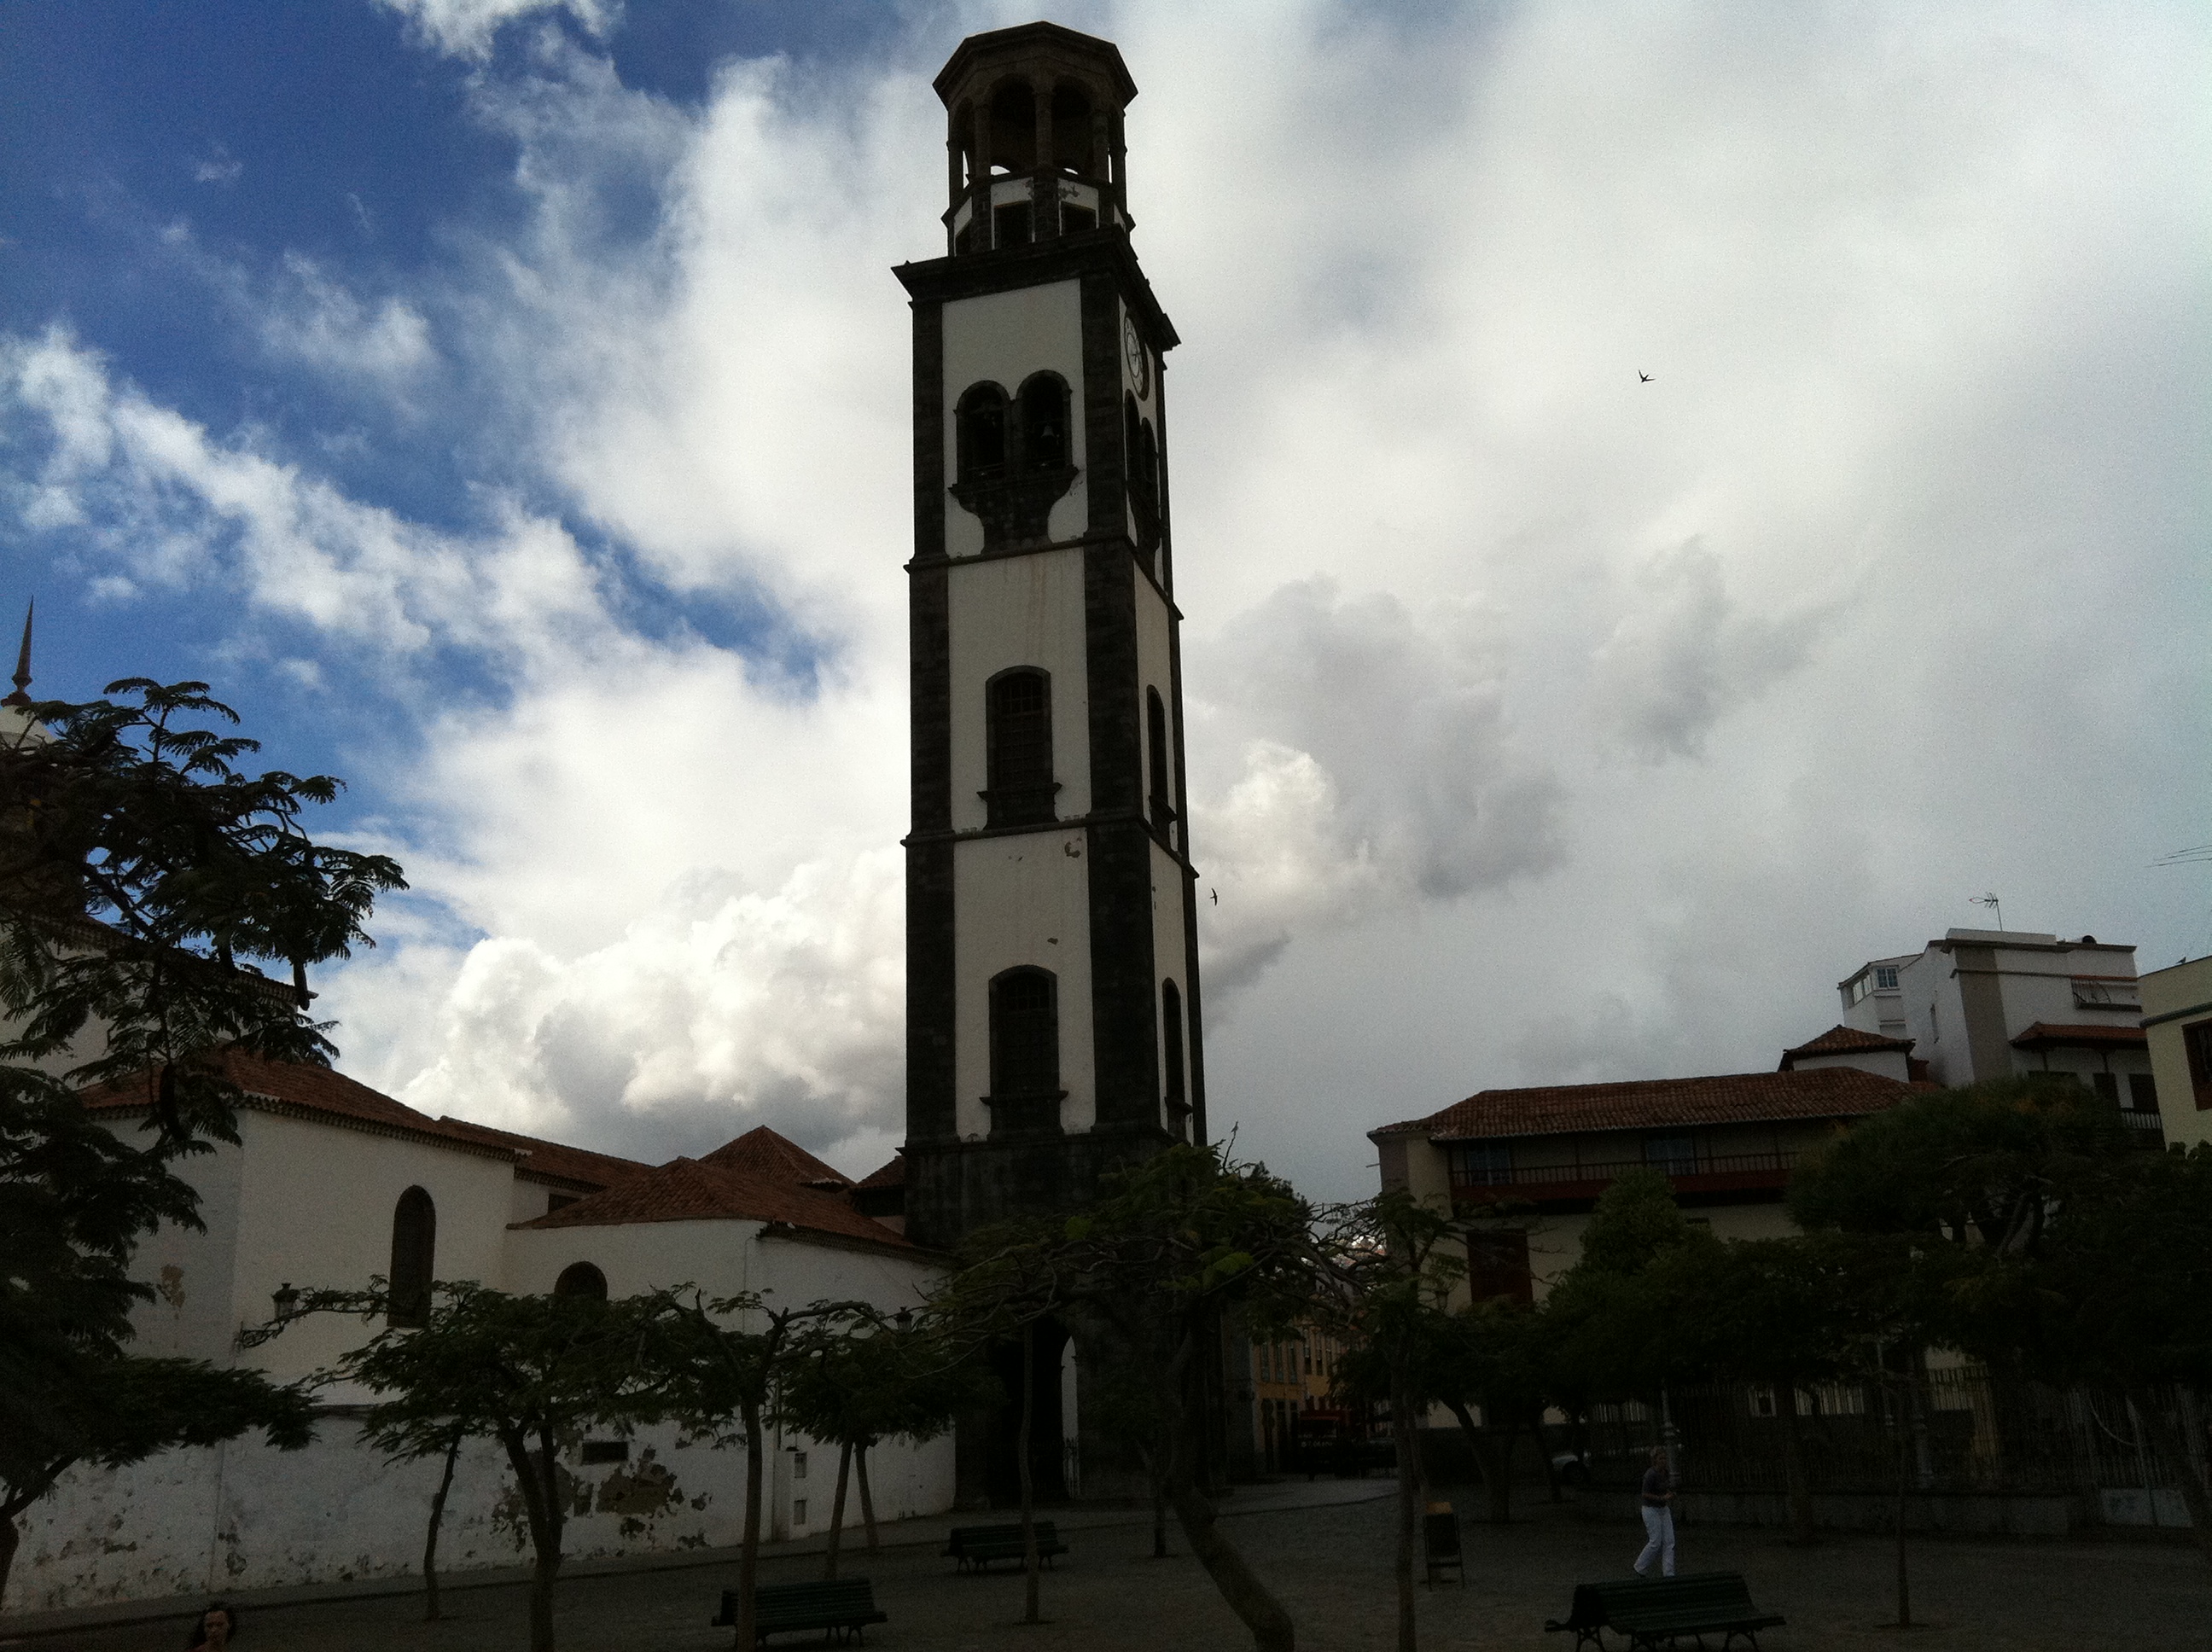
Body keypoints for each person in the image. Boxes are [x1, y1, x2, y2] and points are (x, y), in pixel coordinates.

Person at [1633, 1446, 1675, 1578]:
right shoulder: (1650, 1474)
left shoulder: (1665, 1472)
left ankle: (1669, 1573)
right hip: (1651, 1509)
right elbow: (1645, 1494)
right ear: (1655, 1460)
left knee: (1669, 1541)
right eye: (1660, 1458)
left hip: (1663, 1509)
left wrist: (1669, 1494)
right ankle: (1640, 1567)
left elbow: (1664, 1488)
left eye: (1665, 1458)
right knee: (1655, 1541)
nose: (1663, 1461)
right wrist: (1661, 1498)